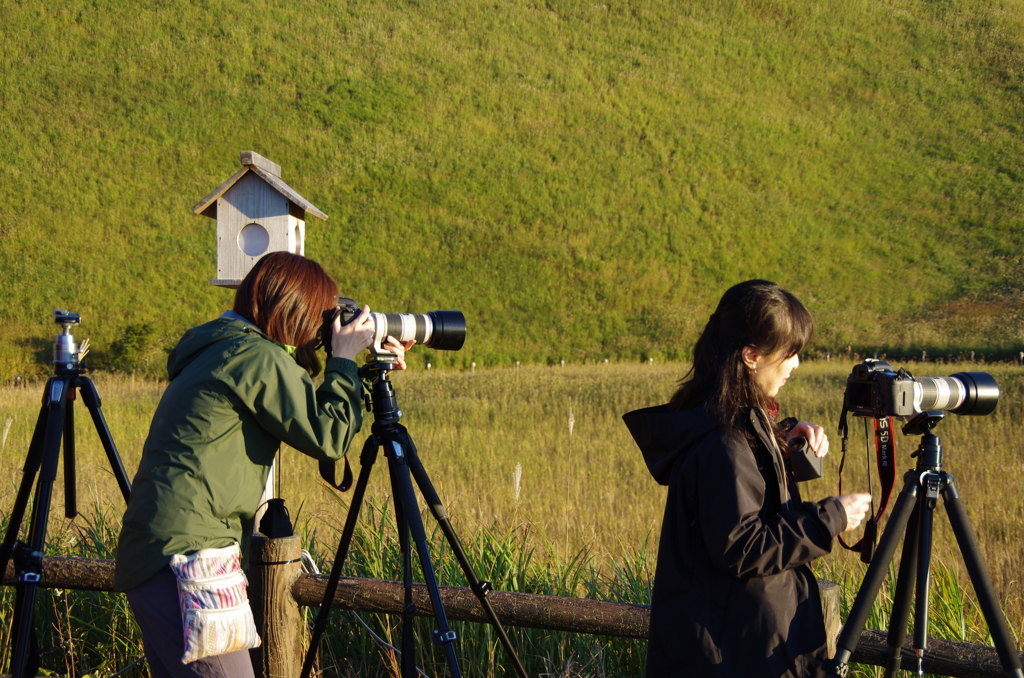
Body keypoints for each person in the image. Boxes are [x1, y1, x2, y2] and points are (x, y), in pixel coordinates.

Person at [114, 252, 411, 677]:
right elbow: (330, 437)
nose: (319, 328)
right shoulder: (257, 357)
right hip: (189, 561)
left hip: (159, 556)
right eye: (318, 316)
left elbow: (302, 410)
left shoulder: (223, 347)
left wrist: (360, 369)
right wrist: (342, 360)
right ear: (294, 308)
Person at [623, 280, 872, 678]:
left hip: (731, 644)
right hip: (734, 656)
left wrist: (782, 437)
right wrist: (831, 518)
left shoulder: (718, 424)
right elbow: (744, 546)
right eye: (789, 353)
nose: (795, 365)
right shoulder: (724, 443)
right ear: (751, 356)